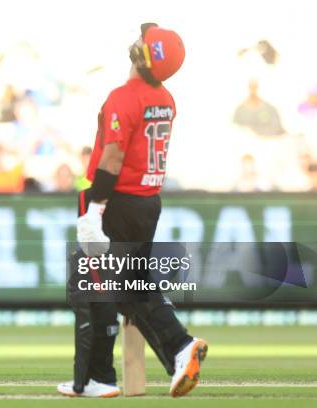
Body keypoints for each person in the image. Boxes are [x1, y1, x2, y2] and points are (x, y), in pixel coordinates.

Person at [57, 23, 208, 398]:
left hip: (118, 201)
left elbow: (112, 158)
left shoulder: (124, 97)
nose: (138, 41)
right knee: (127, 287)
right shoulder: (167, 98)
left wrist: (94, 211)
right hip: (147, 201)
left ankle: (98, 378)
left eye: (145, 41)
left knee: (92, 285)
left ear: (145, 57)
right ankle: (173, 350)